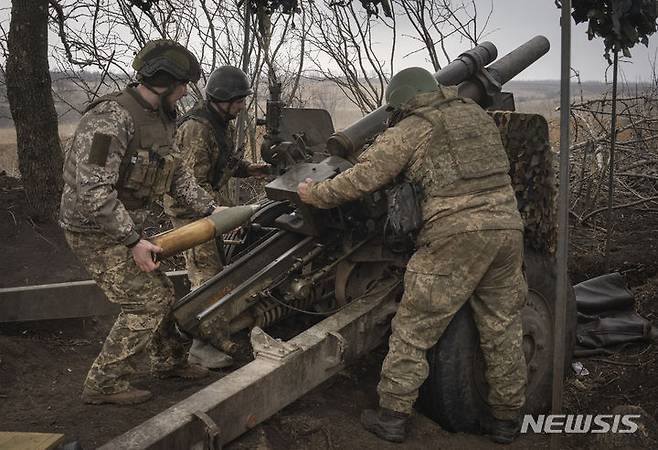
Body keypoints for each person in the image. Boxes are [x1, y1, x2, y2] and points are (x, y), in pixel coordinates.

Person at [297, 67, 528, 444]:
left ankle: (392, 415)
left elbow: (363, 178)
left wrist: (314, 194)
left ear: (402, 103)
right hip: (506, 229)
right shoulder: (476, 115)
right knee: (502, 327)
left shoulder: (412, 128)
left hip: (455, 236)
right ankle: (505, 419)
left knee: (414, 328)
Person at [60, 39, 224, 405]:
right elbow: (94, 191)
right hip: (92, 230)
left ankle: (167, 360)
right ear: (164, 81)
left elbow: (177, 173)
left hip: (122, 227)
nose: (185, 93)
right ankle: (104, 383)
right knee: (146, 302)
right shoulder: (109, 121)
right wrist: (133, 242)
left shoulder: (162, 118)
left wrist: (211, 210)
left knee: (163, 292)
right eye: (182, 85)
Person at [164, 65, 270, 369]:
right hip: (192, 214)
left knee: (215, 270)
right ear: (222, 98)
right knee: (206, 277)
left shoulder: (217, 122)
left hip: (209, 212)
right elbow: (191, 183)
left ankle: (210, 333)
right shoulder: (198, 128)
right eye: (237, 100)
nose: (241, 106)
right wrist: (223, 212)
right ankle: (200, 345)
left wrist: (250, 168)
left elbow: (220, 162)